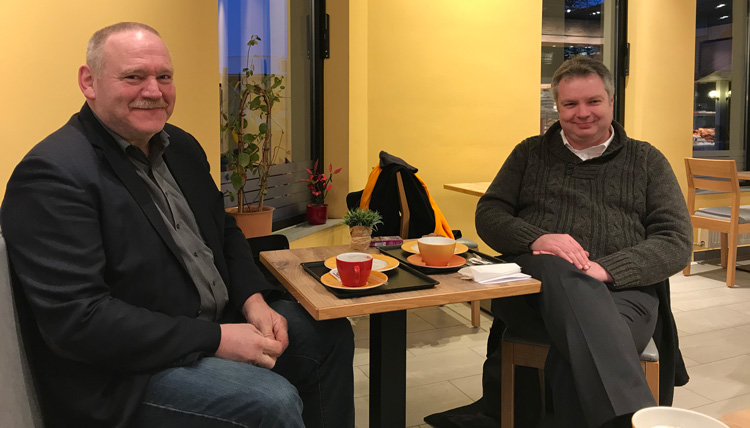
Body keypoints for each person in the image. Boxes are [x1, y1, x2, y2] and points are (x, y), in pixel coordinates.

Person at [1, 22, 354, 428]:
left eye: (164, 77)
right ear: (88, 82)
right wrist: (218, 340)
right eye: (134, 77)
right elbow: (78, 321)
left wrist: (252, 299)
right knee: (269, 401)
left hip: (212, 326)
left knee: (326, 336)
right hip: (125, 374)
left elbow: (224, 231)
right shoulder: (53, 175)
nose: (153, 91)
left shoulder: (180, 146)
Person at [426, 56, 691, 428]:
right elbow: (490, 213)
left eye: (593, 101)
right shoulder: (529, 153)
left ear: (611, 101)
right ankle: (634, 420)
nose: (582, 113)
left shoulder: (647, 160)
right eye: (570, 104)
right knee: (556, 266)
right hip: (536, 291)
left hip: (624, 293)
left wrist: (606, 269)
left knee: (578, 352)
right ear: (557, 107)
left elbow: (675, 240)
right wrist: (539, 238)